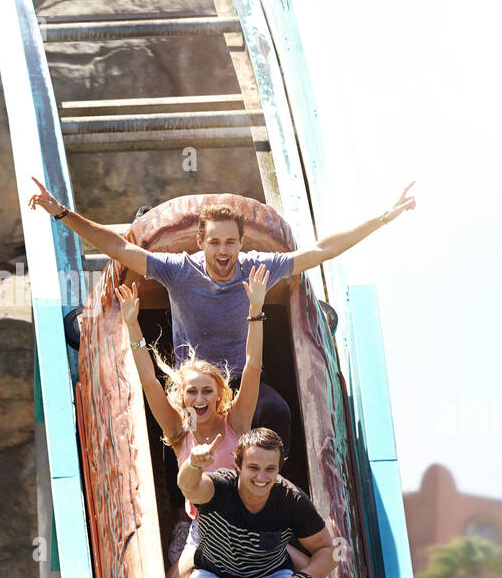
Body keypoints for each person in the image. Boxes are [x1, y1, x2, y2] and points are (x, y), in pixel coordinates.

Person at [25, 177, 417, 449]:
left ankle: (268, 489)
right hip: (190, 384)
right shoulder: (179, 271)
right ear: (201, 242)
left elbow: (320, 252)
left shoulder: (256, 266)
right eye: (215, 242)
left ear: (241, 242)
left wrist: (383, 218)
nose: (223, 251)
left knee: (276, 410)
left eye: (231, 242)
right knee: (163, 424)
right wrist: (60, 212)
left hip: (239, 382)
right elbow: (119, 248)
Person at [115, 264, 304, 578]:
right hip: (207, 527)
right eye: (192, 391)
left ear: (218, 396)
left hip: (250, 521)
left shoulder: (236, 421)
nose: (199, 398)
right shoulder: (178, 431)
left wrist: (255, 309)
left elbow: (253, 366)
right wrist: (132, 325)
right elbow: (149, 381)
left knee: (305, 562)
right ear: (183, 397)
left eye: (207, 391)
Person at [177, 427, 337, 578]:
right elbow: (188, 486)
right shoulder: (219, 487)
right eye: (253, 468)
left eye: (270, 469)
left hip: (272, 576)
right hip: (214, 576)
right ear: (237, 465)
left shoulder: (291, 499)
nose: (261, 477)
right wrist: (193, 464)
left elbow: (329, 551)